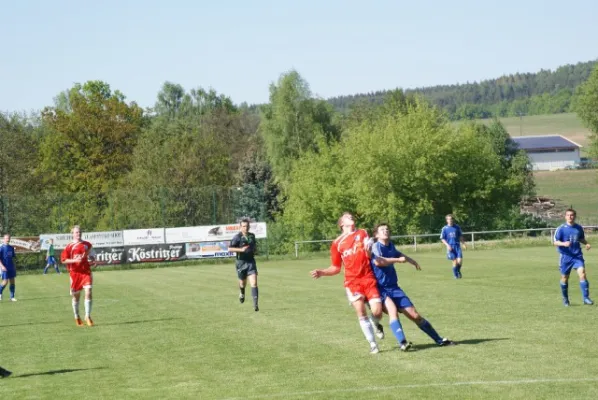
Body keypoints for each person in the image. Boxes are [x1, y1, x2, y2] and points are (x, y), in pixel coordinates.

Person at [371, 223, 456, 349]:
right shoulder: (375, 246)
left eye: (387, 229)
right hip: (381, 288)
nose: (385, 231)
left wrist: (411, 261)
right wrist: (397, 260)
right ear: (376, 234)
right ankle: (403, 343)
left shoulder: (390, 246)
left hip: (394, 287)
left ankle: (439, 340)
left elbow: (397, 253)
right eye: (382, 230)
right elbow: (378, 261)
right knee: (393, 312)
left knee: (415, 315)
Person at [310, 212, 383, 354]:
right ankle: (373, 344)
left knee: (377, 312)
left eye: (351, 216)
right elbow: (336, 268)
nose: (351, 216)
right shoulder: (337, 243)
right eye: (347, 216)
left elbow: (369, 252)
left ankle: (375, 322)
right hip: (352, 281)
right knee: (361, 311)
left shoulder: (362, 233)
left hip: (368, 277)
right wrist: (322, 272)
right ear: (341, 224)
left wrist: (369, 247)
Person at [553, 209, 593, 306]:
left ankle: (586, 298)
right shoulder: (561, 229)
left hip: (577, 256)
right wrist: (563, 243)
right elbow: (555, 242)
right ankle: (565, 299)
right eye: (568, 215)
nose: (570, 217)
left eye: (572, 215)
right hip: (565, 257)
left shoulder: (578, 228)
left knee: (582, 274)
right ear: (565, 216)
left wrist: (586, 243)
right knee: (565, 278)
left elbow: (580, 238)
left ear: (575, 216)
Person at [60, 226, 95, 326]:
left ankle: (87, 316)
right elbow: (63, 260)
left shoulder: (87, 245)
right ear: (72, 234)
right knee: (76, 297)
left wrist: (92, 259)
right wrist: (75, 260)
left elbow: (91, 255)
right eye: (76, 232)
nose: (78, 234)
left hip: (86, 272)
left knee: (88, 291)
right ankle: (77, 317)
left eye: (79, 232)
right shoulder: (69, 246)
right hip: (75, 274)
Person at [228, 218, 260, 312]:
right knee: (242, 283)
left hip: (251, 262)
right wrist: (241, 250)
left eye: (247, 226)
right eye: (244, 226)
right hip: (241, 262)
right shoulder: (237, 237)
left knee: (254, 283)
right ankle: (242, 293)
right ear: (240, 227)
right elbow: (230, 249)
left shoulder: (252, 236)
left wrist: (255, 250)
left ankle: (255, 305)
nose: (246, 228)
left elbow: (254, 247)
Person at [440, 214, 466, 279]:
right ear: (446, 220)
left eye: (451, 219)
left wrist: (463, 243)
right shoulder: (444, 228)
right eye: (448, 219)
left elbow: (460, 236)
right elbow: (442, 238)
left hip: (457, 246)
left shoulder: (457, 227)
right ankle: (455, 275)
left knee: (459, 261)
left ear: (453, 219)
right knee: (454, 261)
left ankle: (458, 271)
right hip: (450, 247)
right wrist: (447, 245)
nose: (450, 220)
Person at [0, 234, 18, 301]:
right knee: (5, 282)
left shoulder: (11, 248)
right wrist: (2, 266)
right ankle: (0, 293)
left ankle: (12, 297)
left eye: (9, 238)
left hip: (11, 267)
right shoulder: (1, 248)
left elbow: (12, 257)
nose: (8, 239)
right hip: (4, 267)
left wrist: (14, 267)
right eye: (6, 238)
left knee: (12, 282)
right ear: (4, 239)